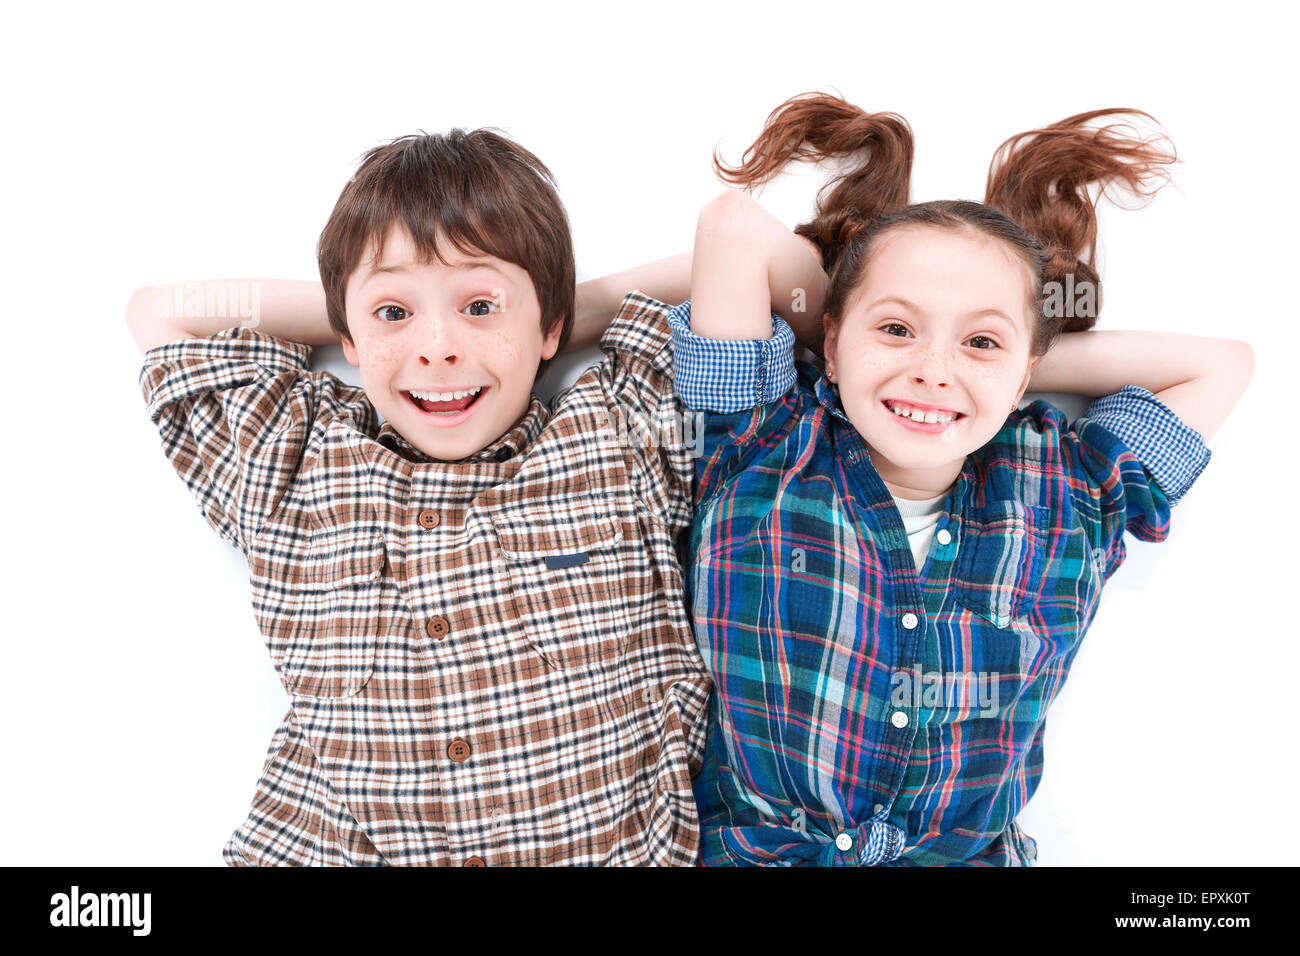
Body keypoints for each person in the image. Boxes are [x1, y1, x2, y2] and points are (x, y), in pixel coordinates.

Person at [664, 93, 1254, 865]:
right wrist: (860, 358)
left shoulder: (1068, 490)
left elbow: (1222, 364)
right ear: (834, 344)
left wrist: (1008, 371)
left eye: (978, 340)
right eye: (897, 328)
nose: (932, 372)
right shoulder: (759, 441)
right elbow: (731, 229)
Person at [125, 128, 709, 866]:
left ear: (552, 323)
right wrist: (366, 312)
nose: (437, 347)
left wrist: (547, 313)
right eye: (395, 314)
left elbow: (724, 267)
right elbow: (160, 310)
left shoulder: (618, 428)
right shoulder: (293, 453)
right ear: (349, 335)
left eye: (480, 306)